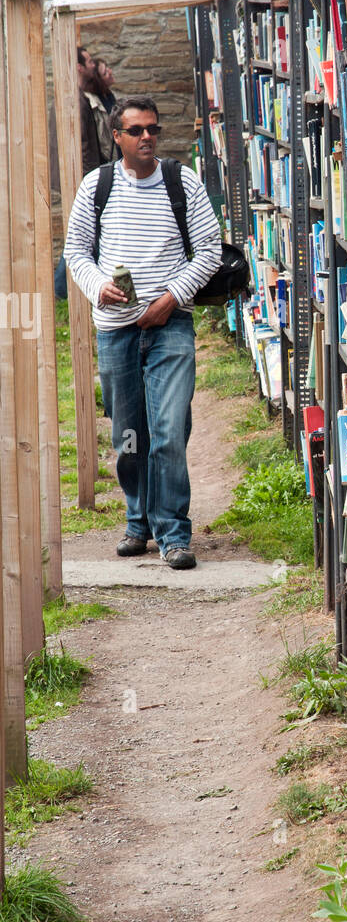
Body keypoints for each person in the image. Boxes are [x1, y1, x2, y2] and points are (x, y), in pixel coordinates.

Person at [63, 96, 222, 569]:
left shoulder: (182, 181)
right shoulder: (99, 185)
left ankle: (174, 533)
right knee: (130, 434)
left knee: (170, 429)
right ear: (118, 137)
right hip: (116, 331)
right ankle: (139, 520)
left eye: (153, 128)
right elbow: (76, 253)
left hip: (170, 325)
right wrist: (98, 287)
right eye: (136, 130)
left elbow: (210, 249)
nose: (147, 136)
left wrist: (171, 298)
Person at [53, 47, 103, 300]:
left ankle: (66, 287)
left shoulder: (79, 96)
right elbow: (80, 145)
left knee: (84, 232)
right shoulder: (74, 99)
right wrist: (87, 182)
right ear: (80, 67)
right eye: (90, 60)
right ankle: (62, 288)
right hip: (80, 178)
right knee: (82, 233)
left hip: (82, 177)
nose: (94, 64)